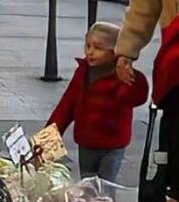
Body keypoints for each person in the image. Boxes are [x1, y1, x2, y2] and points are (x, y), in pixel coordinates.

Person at [47, 21, 149, 183]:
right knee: (87, 186)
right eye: (88, 46)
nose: (90, 52)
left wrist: (129, 73)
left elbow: (135, 97)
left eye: (98, 48)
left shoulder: (121, 77)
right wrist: (46, 141)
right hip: (86, 142)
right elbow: (66, 107)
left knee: (105, 188)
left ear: (115, 52)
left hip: (111, 145)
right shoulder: (82, 72)